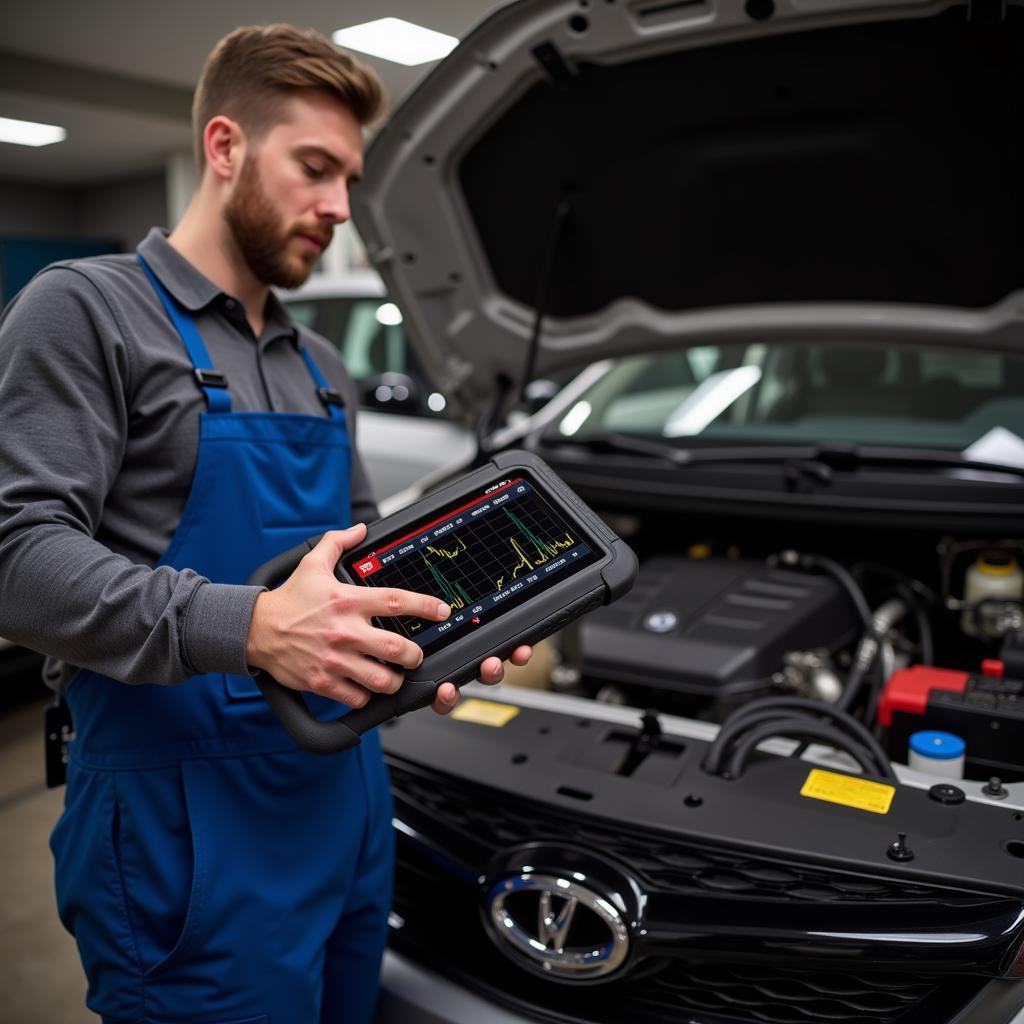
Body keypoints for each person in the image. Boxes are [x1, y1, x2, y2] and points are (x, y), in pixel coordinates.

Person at [0, 24, 530, 1024]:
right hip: (185, 831)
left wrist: (444, 621)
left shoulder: (317, 364)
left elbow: (362, 549)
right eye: (316, 169)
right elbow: (16, 559)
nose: (339, 208)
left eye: (349, 180)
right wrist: (252, 628)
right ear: (226, 146)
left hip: (347, 806)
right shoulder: (85, 311)